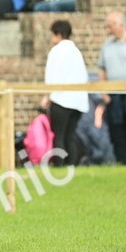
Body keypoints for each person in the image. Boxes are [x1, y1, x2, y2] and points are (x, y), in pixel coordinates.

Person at [39, 21, 88, 167]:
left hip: (61, 100)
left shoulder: (56, 51)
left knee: (59, 135)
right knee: (70, 135)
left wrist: (47, 96)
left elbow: (51, 75)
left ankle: (59, 166)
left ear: (58, 34)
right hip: (78, 101)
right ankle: (72, 165)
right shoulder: (77, 52)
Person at [97, 11, 126, 164]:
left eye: (110, 26)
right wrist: (104, 92)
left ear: (120, 25)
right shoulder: (106, 46)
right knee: (117, 131)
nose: (108, 30)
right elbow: (101, 69)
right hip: (114, 96)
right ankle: (122, 162)